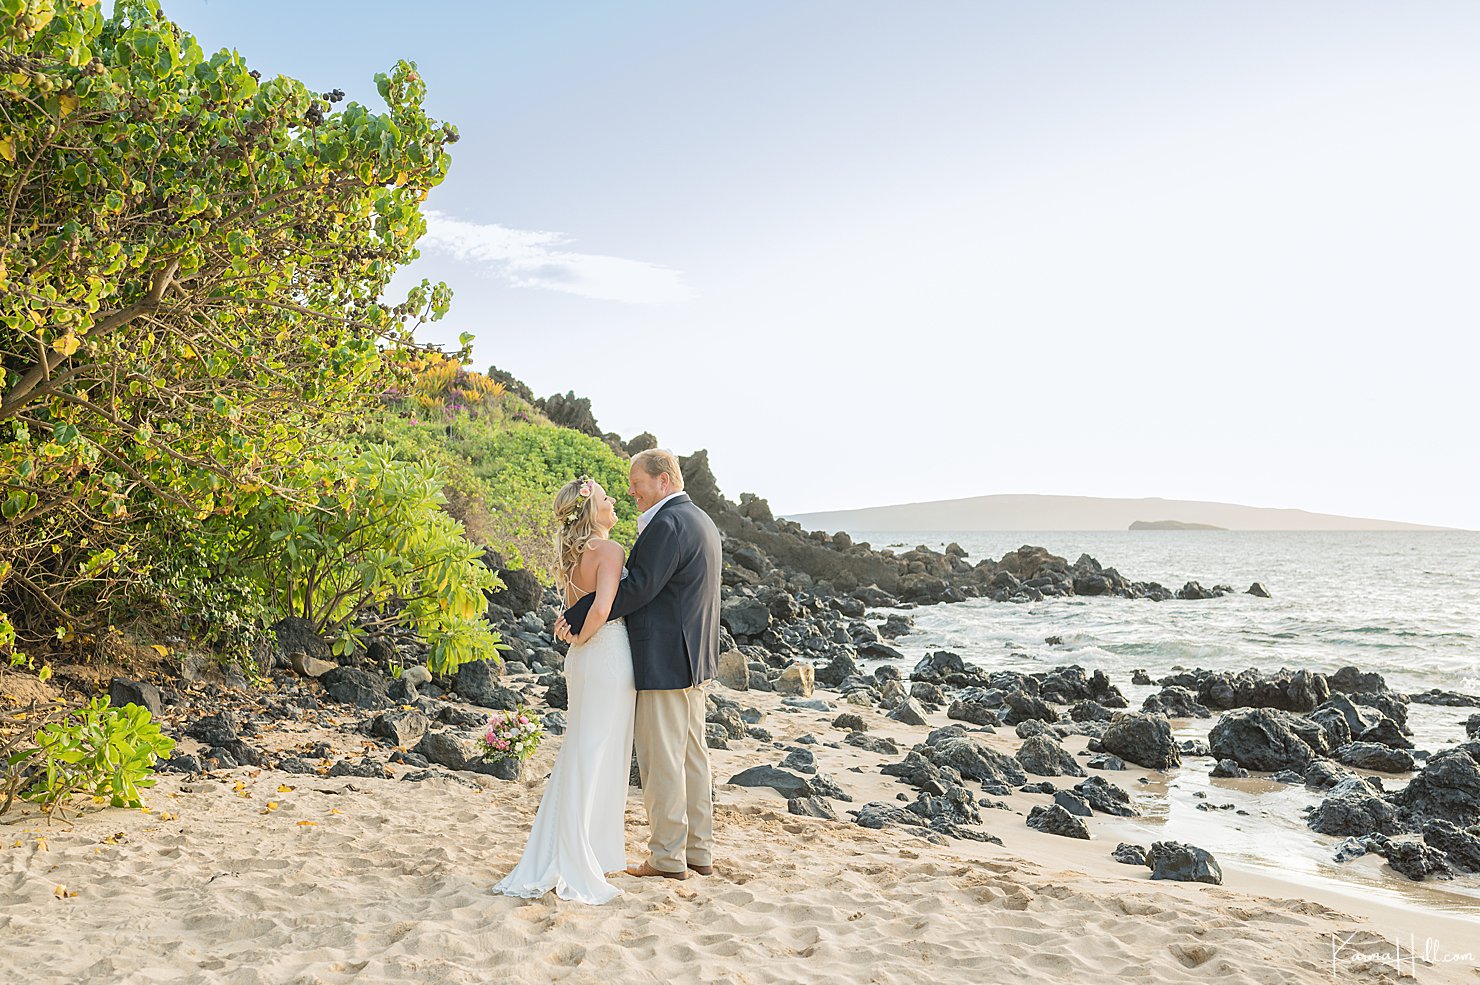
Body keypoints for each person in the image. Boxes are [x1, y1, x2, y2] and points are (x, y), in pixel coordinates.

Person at [555, 448, 723, 881]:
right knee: (692, 757)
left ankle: (668, 857)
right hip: (694, 660)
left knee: (663, 760)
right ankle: (699, 851)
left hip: (664, 661)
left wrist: (580, 614)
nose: (631, 490)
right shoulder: (700, 520)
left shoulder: (667, 524)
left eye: (637, 482)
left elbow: (640, 588)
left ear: (663, 480)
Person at [492, 476, 634, 904]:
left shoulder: (572, 559)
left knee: (581, 749)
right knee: (599, 753)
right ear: (592, 511)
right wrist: (580, 637)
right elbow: (604, 608)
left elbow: (575, 607)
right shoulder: (610, 550)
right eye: (607, 498)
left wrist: (574, 638)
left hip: (582, 663)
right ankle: (584, 851)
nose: (613, 503)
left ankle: (586, 846)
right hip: (605, 653)